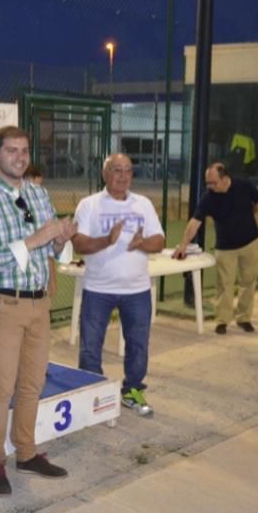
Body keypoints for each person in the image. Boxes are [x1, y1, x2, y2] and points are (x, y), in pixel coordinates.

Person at [0, 126, 76, 495]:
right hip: (3, 304)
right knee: (2, 387)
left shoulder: (39, 195)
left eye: (24, 150)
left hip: (38, 302)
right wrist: (35, 239)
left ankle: (26, 452)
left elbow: (53, 254)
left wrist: (60, 242)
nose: (19, 157)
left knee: (32, 383)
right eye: (11, 150)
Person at [72, 154, 165, 416]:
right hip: (97, 289)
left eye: (127, 171)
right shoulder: (90, 205)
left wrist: (142, 244)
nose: (123, 176)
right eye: (116, 170)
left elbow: (159, 240)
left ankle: (132, 390)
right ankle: (93, 394)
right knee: (90, 345)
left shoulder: (143, 204)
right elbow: (79, 244)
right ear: (105, 174)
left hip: (137, 290)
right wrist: (107, 241)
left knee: (138, 344)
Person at [172, 162, 258, 334]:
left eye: (213, 182)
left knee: (248, 281)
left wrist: (248, 214)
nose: (210, 186)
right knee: (224, 284)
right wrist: (183, 245)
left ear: (225, 178)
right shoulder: (209, 197)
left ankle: (244, 318)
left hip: (251, 242)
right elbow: (195, 222)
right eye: (208, 183)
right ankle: (222, 320)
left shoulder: (244, 186)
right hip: (225, 246)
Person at [25, 164, 58, 296]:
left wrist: (53, 281)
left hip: (40, 281)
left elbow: (49, 251)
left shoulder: (43, 205)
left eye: (40, 186)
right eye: (35, 185)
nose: (37, 190)